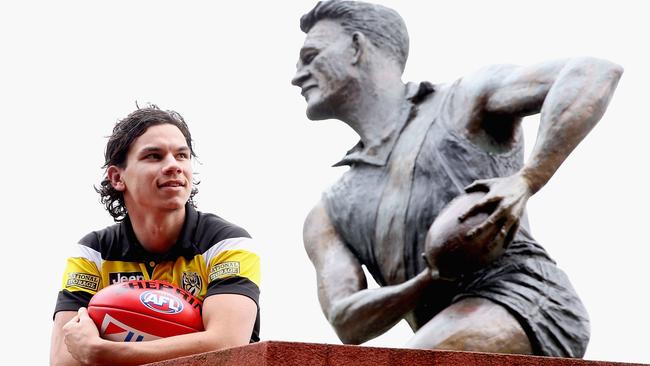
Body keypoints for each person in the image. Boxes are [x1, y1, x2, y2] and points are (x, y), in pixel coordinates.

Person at [292, 0, 622, 358]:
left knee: (419, 357)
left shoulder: (464, 100)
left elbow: (592, 72)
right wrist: (431, 276)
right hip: (441, 332)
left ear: (356, 47)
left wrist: (527, 179)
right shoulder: (329, 212)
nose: (297, 75)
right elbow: (347, 321)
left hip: (526, 302)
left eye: (311, 56)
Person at [50, 106, 261, 365]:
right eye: (154, 156)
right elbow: (63, 358)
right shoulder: (94, 253)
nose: (174, 165)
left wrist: (106, 352)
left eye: (182, 155)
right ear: (117, 177)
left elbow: (227, 343)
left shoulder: (226, 242)